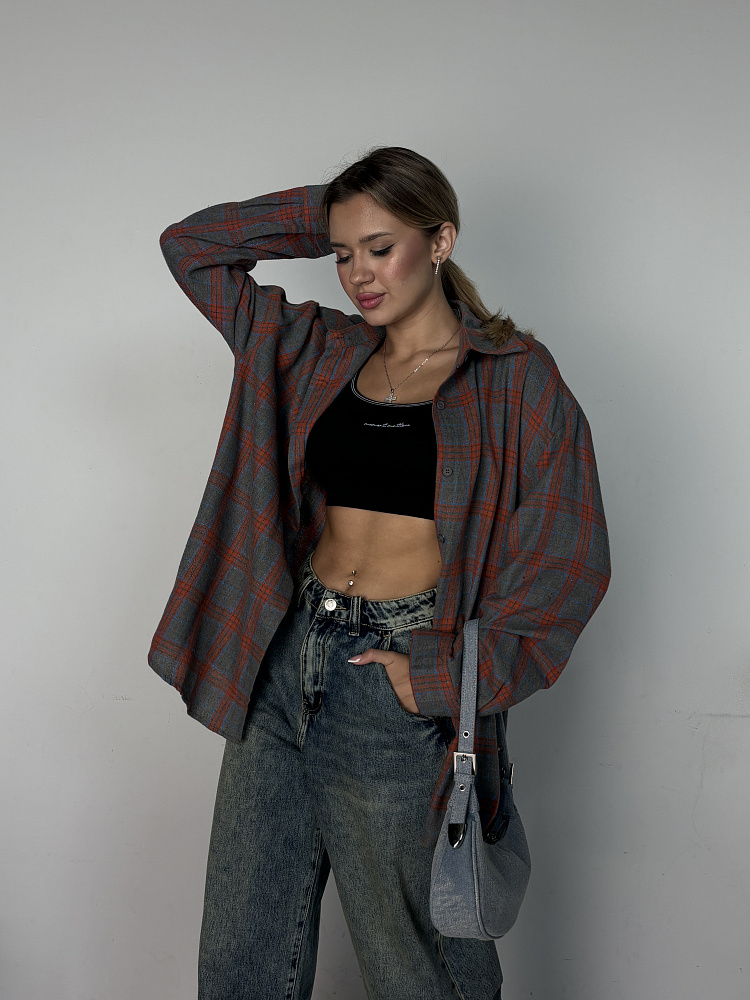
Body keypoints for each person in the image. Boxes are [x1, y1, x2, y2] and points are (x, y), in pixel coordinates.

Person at [148, 147, 611, 1000]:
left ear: (441, 240)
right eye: (342, 253)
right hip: (283, 660)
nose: (359, 273)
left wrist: (436, 676)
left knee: (414, 960)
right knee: (242, 948)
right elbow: (191, 248)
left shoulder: (515, 379)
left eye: (381, 246)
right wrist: (332, 206)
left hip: (396, 678)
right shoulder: (316, 348)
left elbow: (568, 562)